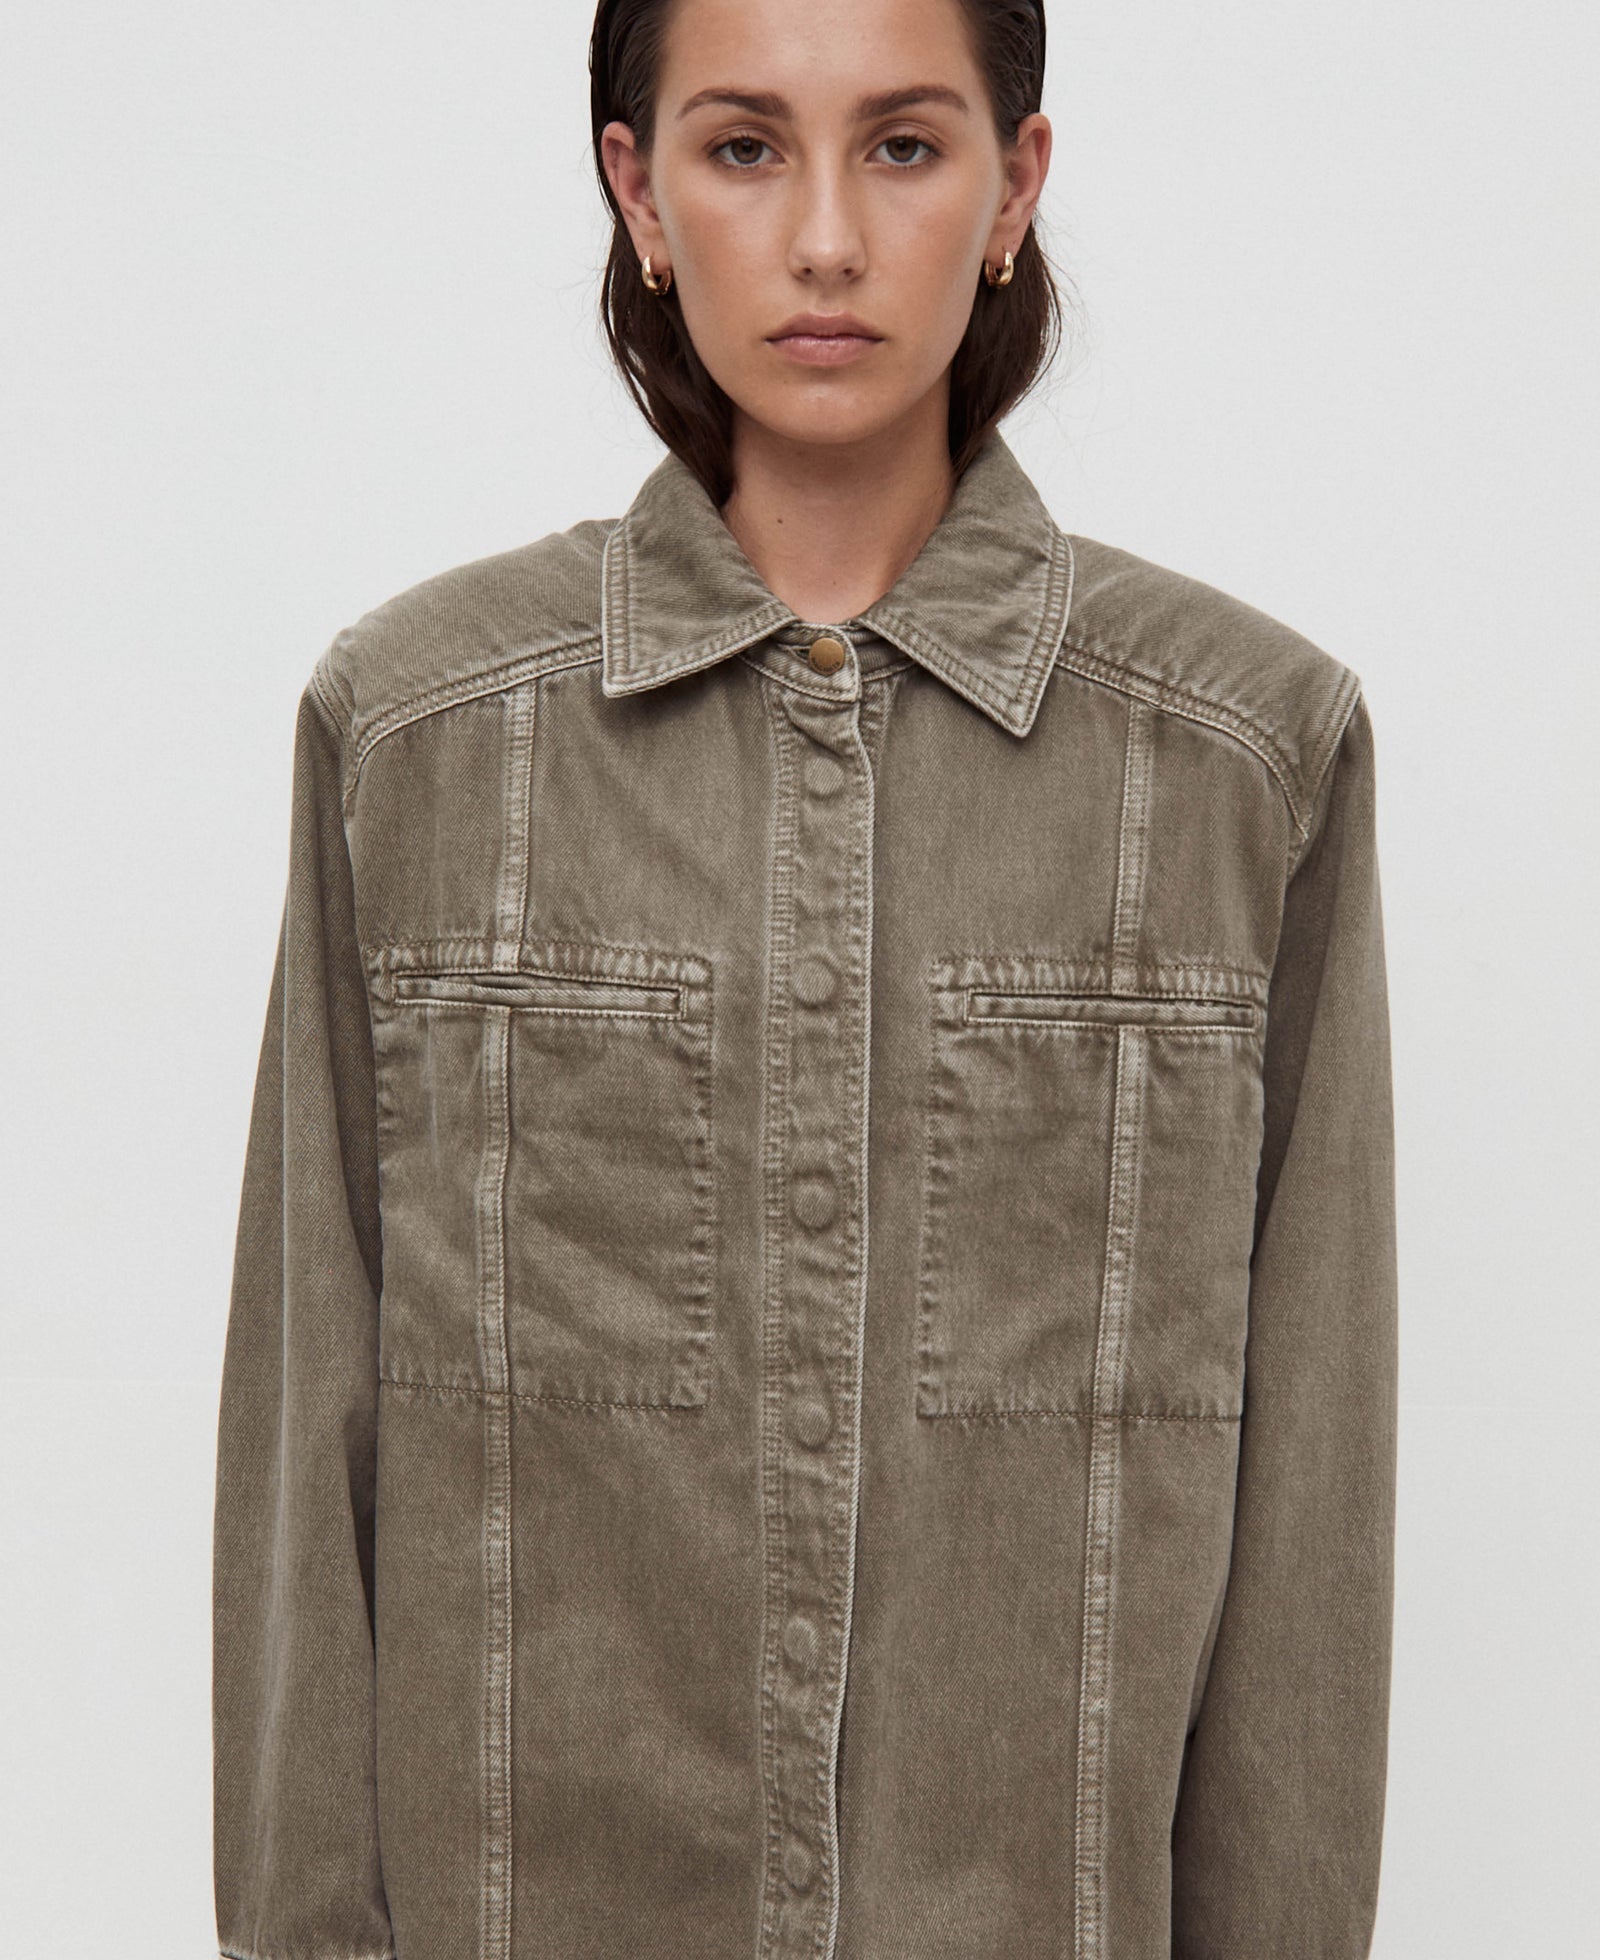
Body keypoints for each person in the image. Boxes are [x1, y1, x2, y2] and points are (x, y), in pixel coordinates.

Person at [212, 0, 1399, 1956]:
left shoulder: (1242, 758)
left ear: (1014, 187)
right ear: (638, 192)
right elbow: (304, 1440)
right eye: (745, 147)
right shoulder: (417, 735)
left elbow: (1310, 1513)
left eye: (905, 146)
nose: (827, 239)